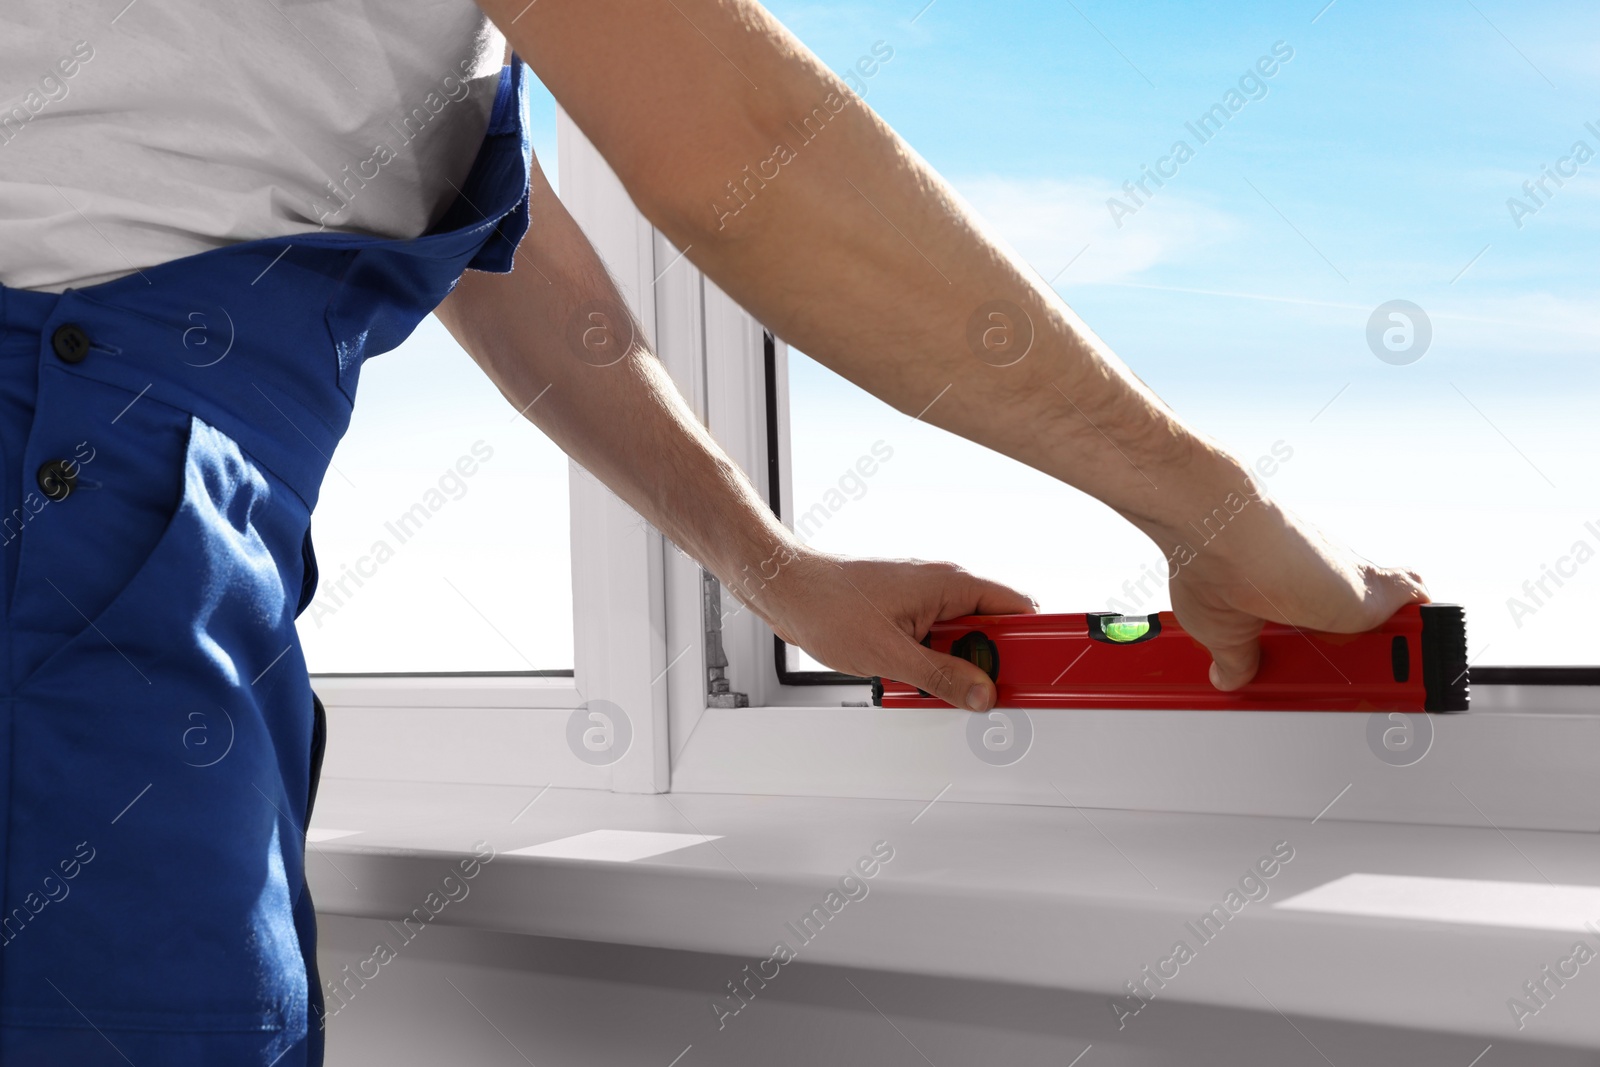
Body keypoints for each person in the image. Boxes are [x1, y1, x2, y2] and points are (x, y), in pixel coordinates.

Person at [0, 1, 1426, 1062]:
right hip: (69, 487)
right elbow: (740, 139)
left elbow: (478, 224)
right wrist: (1205, 505)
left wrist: (767, 564)